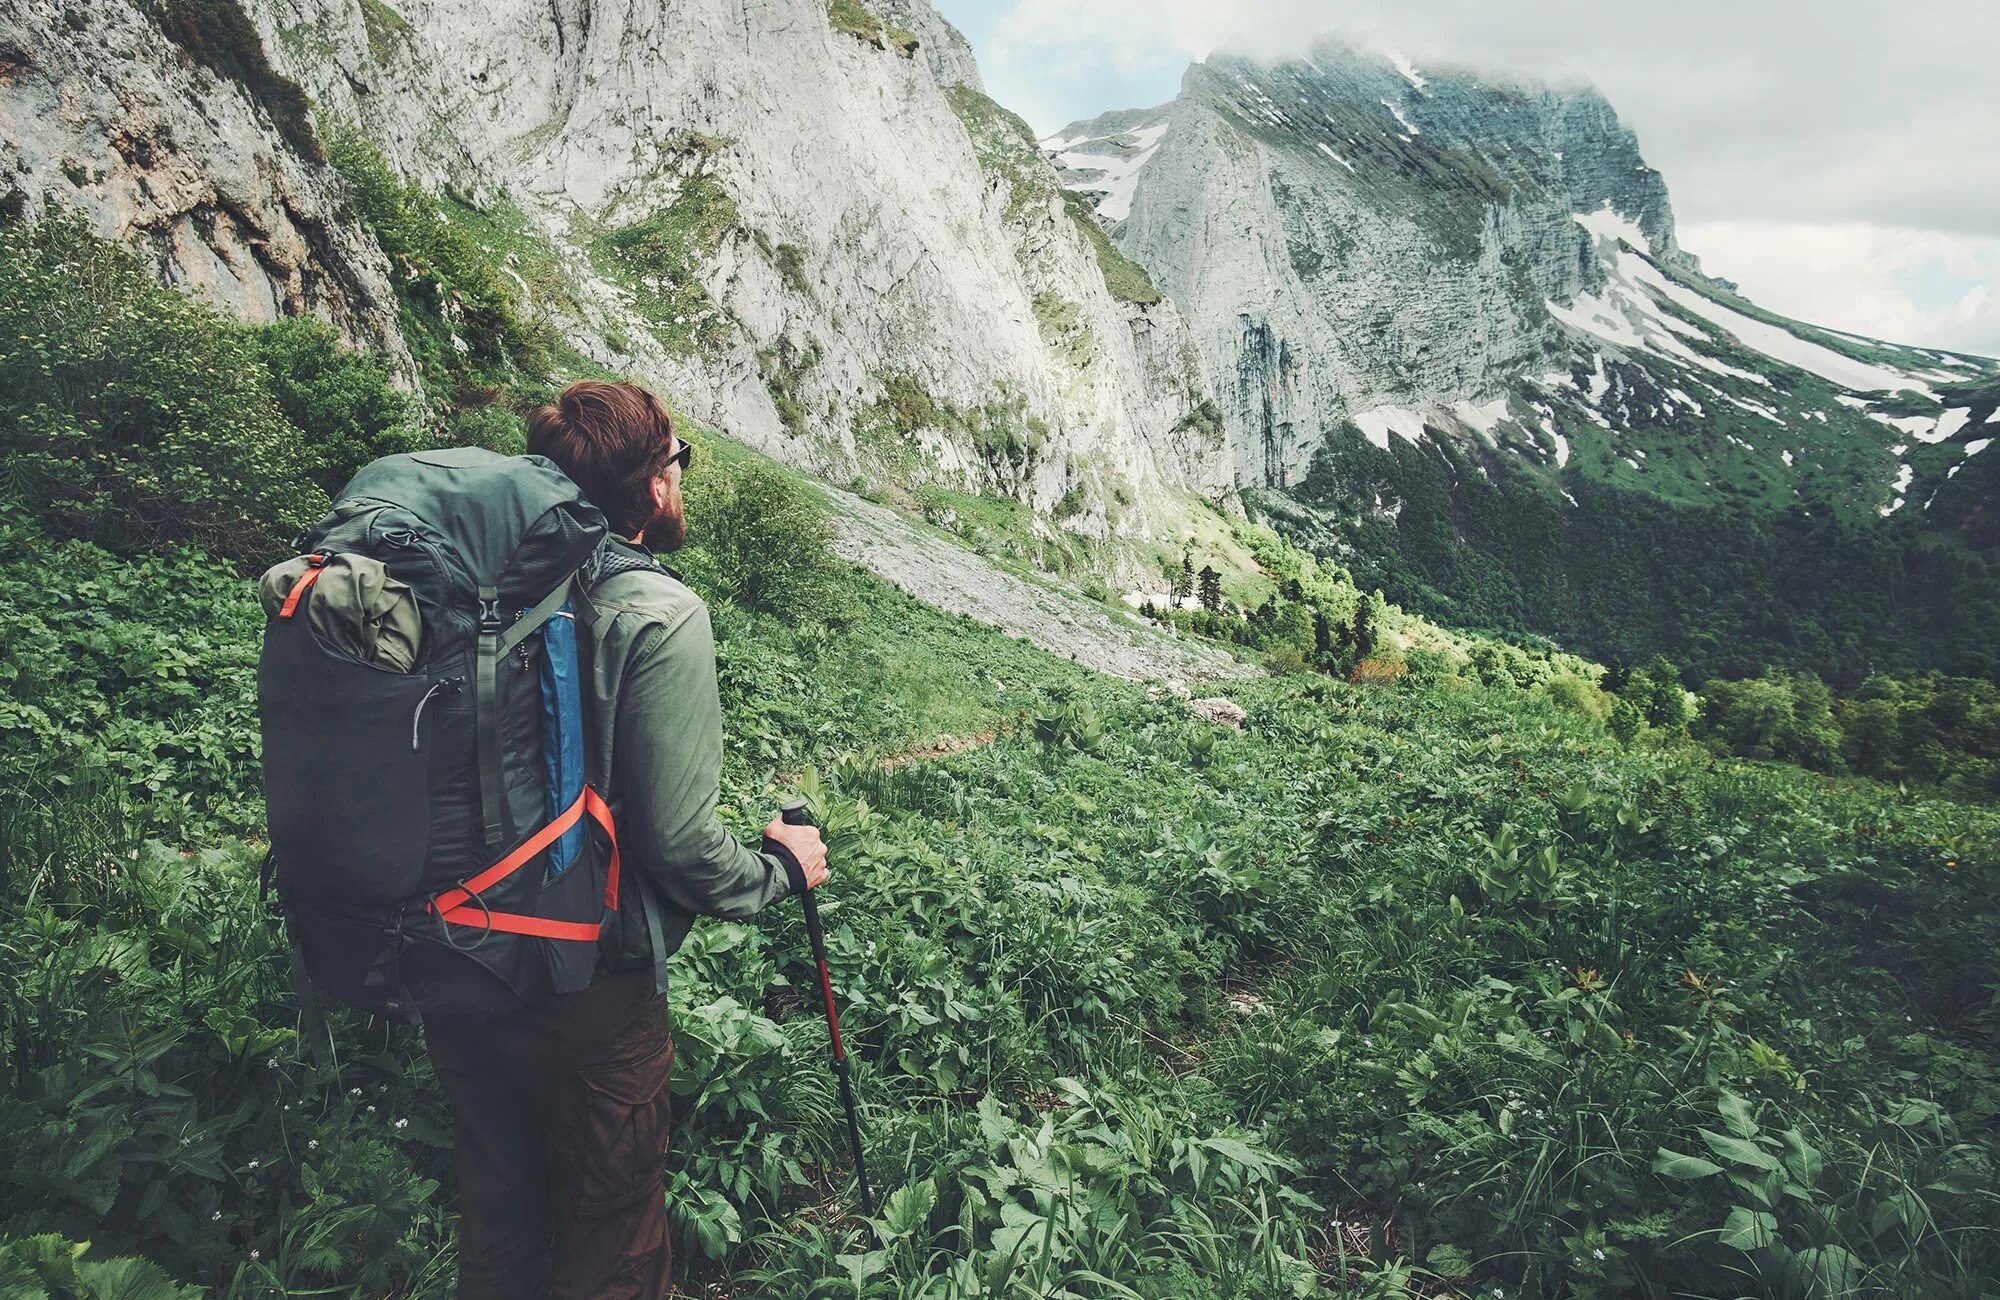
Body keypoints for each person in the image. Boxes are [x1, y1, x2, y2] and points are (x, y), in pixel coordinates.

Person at [421, 380, 830, 1300]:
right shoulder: (658, 613)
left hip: (455, 951)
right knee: (612, 1225)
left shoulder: (474, 577)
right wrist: (778, 871)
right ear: (651, 488)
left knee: (499, 1213)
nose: (682, 479)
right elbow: (681, 846)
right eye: (679, 461)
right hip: (588, 981)